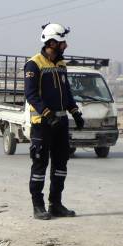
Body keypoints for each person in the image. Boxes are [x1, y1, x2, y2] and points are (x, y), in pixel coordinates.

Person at [24, 23, 84, 220]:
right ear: (51, 42)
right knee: (40, 165)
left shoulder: (61, 65)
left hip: (61, 123)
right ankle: (38, 206)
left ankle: (55, 204)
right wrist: (48, 116)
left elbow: (66, 92)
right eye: (62, 42)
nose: (65, 45)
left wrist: (75, 112)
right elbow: (31, 95)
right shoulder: (34, 64)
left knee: (61, 165)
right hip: (43, 124)